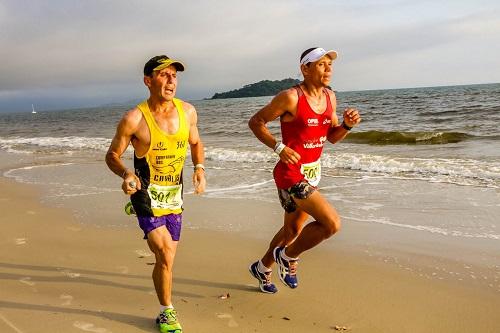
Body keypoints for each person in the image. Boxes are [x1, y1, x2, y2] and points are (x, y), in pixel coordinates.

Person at [105, 55, 206, 333]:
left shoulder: (188, 112)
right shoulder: (134, 118)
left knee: (169, 255)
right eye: (164, 75)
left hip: (174, 195)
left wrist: (199, 168)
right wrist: (126, 173)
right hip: (145, 193)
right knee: (164, 254)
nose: (171, 79)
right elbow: (112, 155)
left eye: (174, 75)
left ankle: (142, 217)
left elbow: (196, 143)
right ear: (148, 81)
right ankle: (167, 311)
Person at [248, 47, 361, 293]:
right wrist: (279, 147)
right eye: (321, 64)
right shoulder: (290, 97)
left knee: (292, 230)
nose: (328, 68)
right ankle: (288, 258)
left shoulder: (330, 97)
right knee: (331, 224)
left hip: (312, 172)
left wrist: (347, 126)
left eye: (329, 64)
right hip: (290, 173)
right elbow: (256, 122)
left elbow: (332, 137)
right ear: (305, 68)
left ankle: (263, 267)